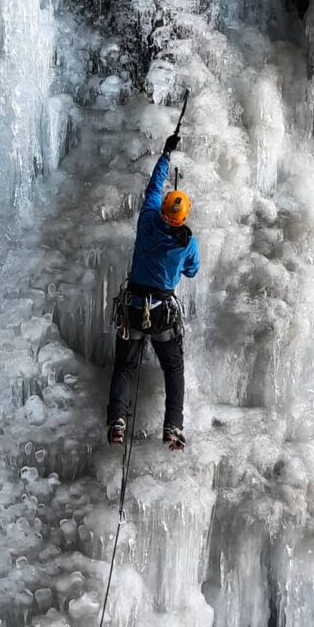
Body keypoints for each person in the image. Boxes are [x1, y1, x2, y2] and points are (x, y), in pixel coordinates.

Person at [106, 132, 200, 451]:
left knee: (125, 366)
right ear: (183, 218)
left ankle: (117, 421)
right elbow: (192, 270)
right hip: (161, 313)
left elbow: (153, 188)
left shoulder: (147, 220)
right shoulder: (187, 243)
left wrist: (165, 155)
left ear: (162, 212)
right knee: (173, 368)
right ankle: (173, 428)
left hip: (133, 307)